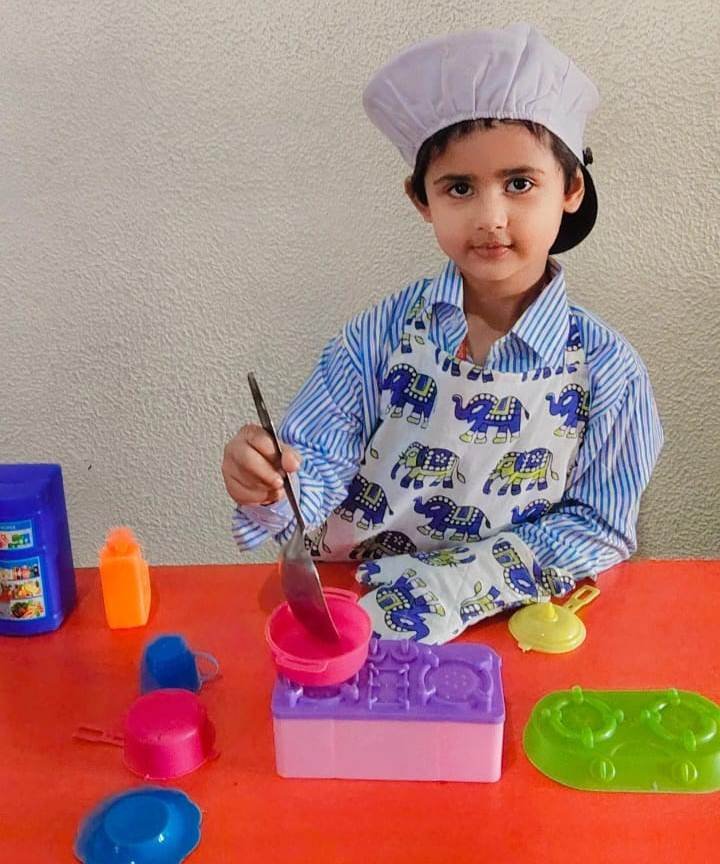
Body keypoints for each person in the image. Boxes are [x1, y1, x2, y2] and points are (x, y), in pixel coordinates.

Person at [222, 23, 663, 644]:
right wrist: (271, 481)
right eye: (460, 188)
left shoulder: (611, 372)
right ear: (421, 199)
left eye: (519, 183)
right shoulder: (376, 339)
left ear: (570, 188)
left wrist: (453, 585)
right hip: (354, 614)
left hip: (515, 624)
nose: (490, 218)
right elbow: (312, 473)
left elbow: (599, 525)